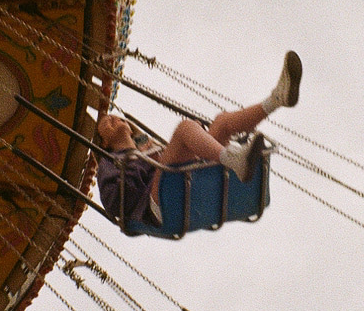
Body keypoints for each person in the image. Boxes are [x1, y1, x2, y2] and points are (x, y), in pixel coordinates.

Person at [94, 50, 301, 227]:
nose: (113, 118)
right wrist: (130, 155)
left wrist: (195, 140)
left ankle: (276, 99)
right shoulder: (108, 164)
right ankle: (234, 159)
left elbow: (171, 159)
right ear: (104, 142)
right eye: (107, 123)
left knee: (221, 122)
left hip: (182, 184)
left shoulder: (147, 148)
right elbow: (118, 204)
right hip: (154, 206)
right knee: (184, 129)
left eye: (116, 118)